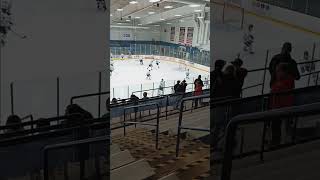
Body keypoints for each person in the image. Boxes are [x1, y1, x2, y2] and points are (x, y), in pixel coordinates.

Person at [269, 63, 295, 146]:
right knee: (277, 125)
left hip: (281, 107)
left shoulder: (283, 82)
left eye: (278, 71)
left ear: (283, 71)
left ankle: (277, 142)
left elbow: (274, 89)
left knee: (277, 125)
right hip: (279, 106)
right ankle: (278, 141)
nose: (276, 72)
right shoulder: (282, 80)